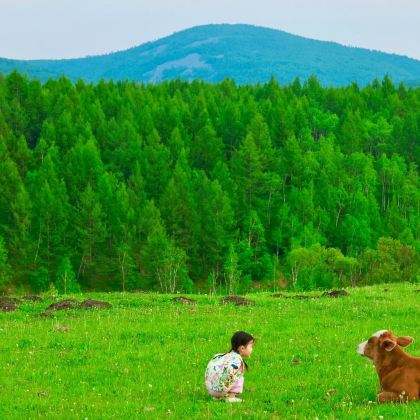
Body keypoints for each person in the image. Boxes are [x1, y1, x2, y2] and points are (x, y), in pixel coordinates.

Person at [205, 331, 255, 403]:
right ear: (242, 348)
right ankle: (231, 397)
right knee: (239, 375)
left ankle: (218, 397)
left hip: (211, 390)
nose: (252, 349)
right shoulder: (237, 361)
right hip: (221, 391)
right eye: (251, 346)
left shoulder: (225, 356)